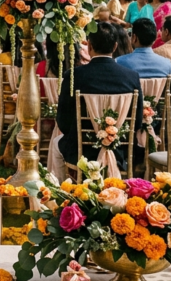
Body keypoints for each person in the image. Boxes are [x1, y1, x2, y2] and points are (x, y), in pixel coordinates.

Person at [56, 22, 144, 171]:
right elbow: (137, 122)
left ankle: (64, 188)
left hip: (80, 151)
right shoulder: (131, 77)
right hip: (120, 149)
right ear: (115, 47)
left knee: (55, 145)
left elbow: (63, 121)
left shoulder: (74, 75)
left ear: (89, 46)